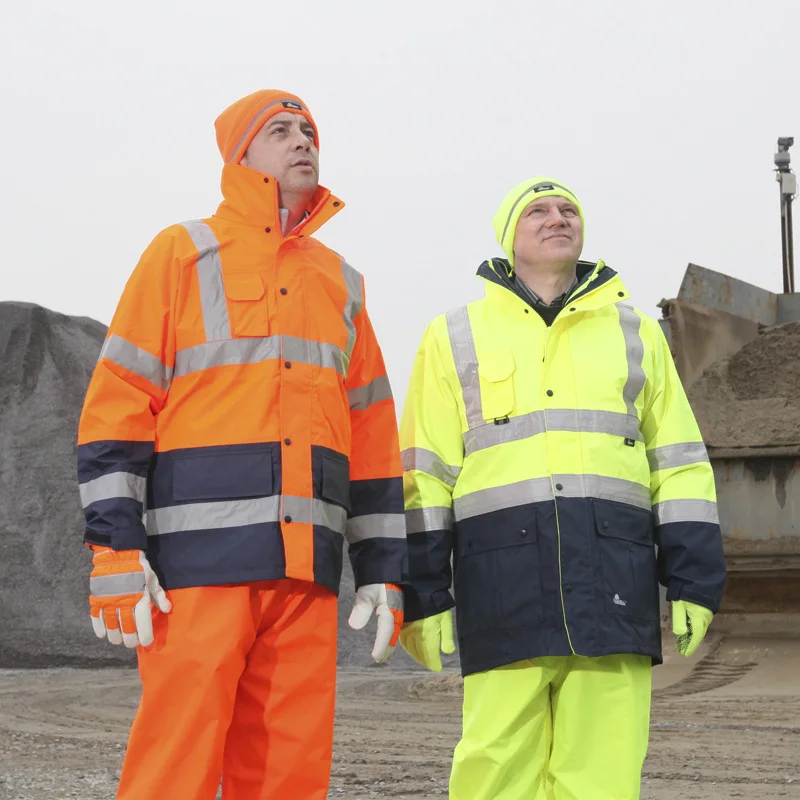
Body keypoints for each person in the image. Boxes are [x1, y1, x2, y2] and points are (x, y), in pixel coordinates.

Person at [77, 89, 407, 799]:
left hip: (303, 577)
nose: (302, 142)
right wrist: (114, 549)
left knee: (288, 776)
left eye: (310, 131)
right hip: (197, 571)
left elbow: (373, 434)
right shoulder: (183, 253)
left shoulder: (341, 283)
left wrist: (382, 568)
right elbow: (117, 408)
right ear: (240, 155)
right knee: (177, 767)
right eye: (280, 130)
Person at [397, 177, 726, 799]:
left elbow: (679, 462)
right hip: (503, 585)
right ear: (508, 235)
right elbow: (423, 472)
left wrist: (695, 578)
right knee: (495, 767)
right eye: (538, 210)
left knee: (602, 773)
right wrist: (424, 590)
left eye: (569, 208)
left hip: (613, 582)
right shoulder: (454, 334)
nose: (558, 218)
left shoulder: (635, 333)